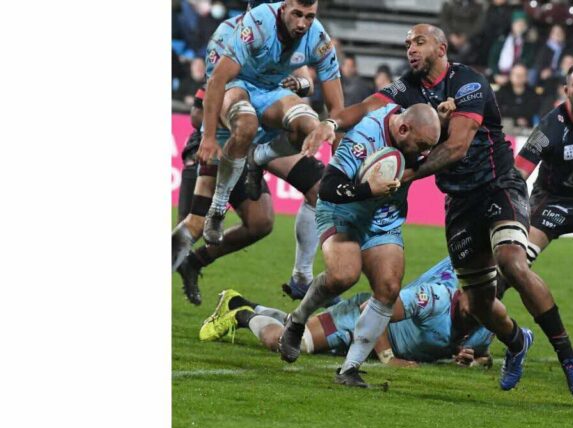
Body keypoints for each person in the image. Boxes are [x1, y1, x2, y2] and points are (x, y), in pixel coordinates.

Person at [299, 24, 573, 397]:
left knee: (513, 263)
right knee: (478, 304)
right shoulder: (409, 87)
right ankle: (517, 341)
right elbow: (369, 106)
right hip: (458, 203)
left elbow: (455, 147)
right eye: (407, 44)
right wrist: (330, 122)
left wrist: (406, 175)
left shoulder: (468, 83)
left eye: (418, 42)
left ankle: (568, 357)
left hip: (497, 186)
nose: (411, 49)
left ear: (441, 46)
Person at [171, 4, 335, 304]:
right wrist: (222, 134)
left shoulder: (287, 34)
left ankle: (301, 276)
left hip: (263, 137)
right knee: (192, 224)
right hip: (224, 136)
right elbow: (200, 111)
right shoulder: (230, 37)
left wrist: (298, 83)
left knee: (292, 203)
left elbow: (307, 80)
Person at [278, 103, 441, 388]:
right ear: (403, 129)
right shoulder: (364, 137)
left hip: (382, 218)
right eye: (422, 145)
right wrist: (368, 189)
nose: (424, 153)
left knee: (389, 288)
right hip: (342, 212)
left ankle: (350, 368)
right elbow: (327, 187)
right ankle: (298, 319)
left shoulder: (414, 127)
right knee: (343, 275)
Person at [197, 0, 344, 249]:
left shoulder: (318, 37)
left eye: (309, 16)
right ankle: (218, 207)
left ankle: (259, 158)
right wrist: (208, 137)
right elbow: (218, 80)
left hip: (270, 91)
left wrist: (340, 161)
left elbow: (337, 109)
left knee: (311, 126)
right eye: (297, 14)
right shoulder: (254, 25)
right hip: (237, 86)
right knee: (246, 125)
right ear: (283, 7)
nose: (302, 24)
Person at [199, 257, 496, 371]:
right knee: (287, 342)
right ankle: (239, 311)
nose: (480, 305)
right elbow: (373, 309)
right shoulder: (434, 298)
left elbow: (484, 354)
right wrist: (389, 358)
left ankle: (254, 305)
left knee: (296, 327)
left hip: (368, 344)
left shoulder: (488, 324)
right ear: (462, 290)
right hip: (355, 321)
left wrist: (473, 359)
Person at [514, 62, 573, 369]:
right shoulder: (551, 126)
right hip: (552, 203)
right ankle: (472, 338)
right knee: (512, 267)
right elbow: (518, 171)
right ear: (566, 90)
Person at [495, 63, 542, 128]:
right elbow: (497, 110)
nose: (519, 78)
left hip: (526, 128)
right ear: (510, 76)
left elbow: (533, 110)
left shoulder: (532, 93)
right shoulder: (502, 91)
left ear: (526, 77)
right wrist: (515, 119)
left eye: (522, 75)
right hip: (504, 127)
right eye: (516, 75)